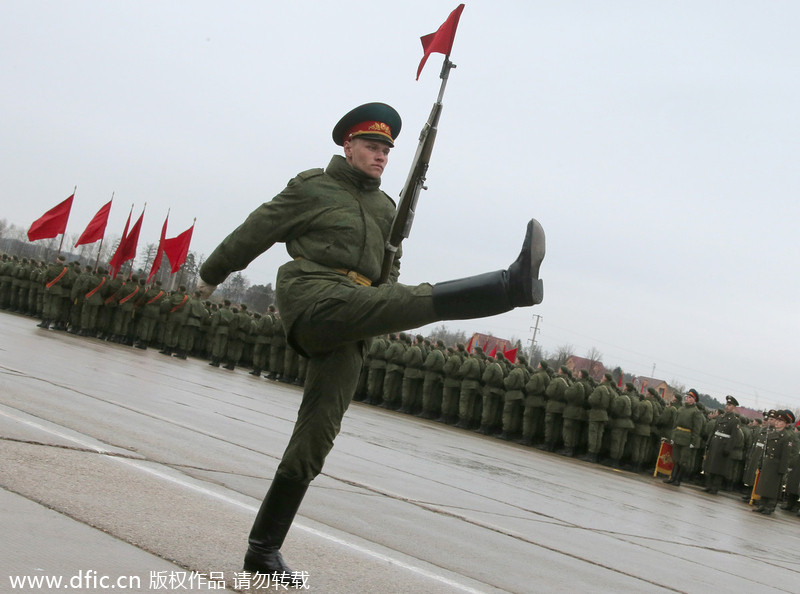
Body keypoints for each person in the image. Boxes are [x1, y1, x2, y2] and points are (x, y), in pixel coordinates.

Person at [196, 102, 546, 577]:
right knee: (410, 299)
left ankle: (262, 551)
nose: (381, 156)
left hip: (356, 316)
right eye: (372, 146)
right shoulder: (313, 187)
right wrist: (210, 275)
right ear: (349, 146)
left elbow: (386, 273)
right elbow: (254, 231)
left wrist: (386, 285)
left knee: (316, 438)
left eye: (386, 149)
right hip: (315, 299)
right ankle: (508, 286)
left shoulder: (385, 208)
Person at [703, 395, 740, 494]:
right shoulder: (720, 417)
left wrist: (728, 448)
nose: (727, 407)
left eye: (730, 405)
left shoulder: (734, 420)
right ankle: (709, 485)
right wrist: (709, 442)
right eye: (727, 404)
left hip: (723, 445)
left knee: (718, 468)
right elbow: (713, 431)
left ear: (734, 407)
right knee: (711, 466)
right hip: (715, 443)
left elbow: (733, 437)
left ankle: (715, 487)